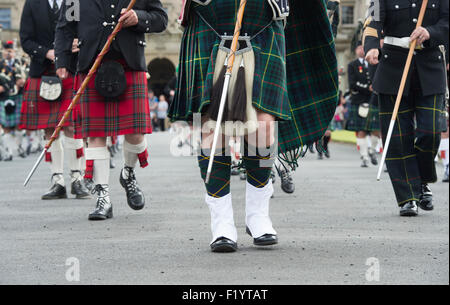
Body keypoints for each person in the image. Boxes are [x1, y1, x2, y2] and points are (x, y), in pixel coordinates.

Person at [170, 0, 338, 252]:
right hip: (211, 21)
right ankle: (221, 222)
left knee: (263, 126)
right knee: (213, 128)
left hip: (263, 25)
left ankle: (258, 215)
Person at [55, 0, 168, 220]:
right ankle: (103, 197)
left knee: (136, 134)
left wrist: (139, 17)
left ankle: (127, 173)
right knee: (96, 135)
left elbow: (161, 19)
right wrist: (62, 58)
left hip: (129, 63)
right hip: (91, 63)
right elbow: (65, 26)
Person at [364, 0, 449, 216]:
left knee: (431, 131)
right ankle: (407, 197)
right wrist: (372, 45)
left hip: (430, 67)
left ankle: (421, 180)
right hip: (394, 67)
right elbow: (372, 20)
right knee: (398, 138)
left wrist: (430, 31)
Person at [19, 0, 90, 200]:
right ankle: (57, 180)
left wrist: (75, 43)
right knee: (49, 128)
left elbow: (79, 28)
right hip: (43, 70)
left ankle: (77, 178)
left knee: (71, 126)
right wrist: (48, 52)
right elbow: (26, 40)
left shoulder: (73, 2)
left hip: (71, 68)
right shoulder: (33, 3)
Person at [346, 43, 380, 168]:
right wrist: (368, 88)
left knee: (376, 130)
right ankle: (364, 156)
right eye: (359, 48)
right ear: (356, 50)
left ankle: (372, 150)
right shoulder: (352, 65)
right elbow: (352, 84)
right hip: (359, 100)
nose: (361, 50)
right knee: (361, 131)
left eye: (363, 47)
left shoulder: (374, 63)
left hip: (374, 100)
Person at [0, 41, 28, 161]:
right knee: (5, 126)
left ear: (14, 51)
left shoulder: (20, 63)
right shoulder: (0, 64)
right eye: (6, 51)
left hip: (18, 96)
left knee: (18, 125)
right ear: (3, 51)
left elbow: (27, 76)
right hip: (3, 97)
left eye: (10, 51)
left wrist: (23, 81)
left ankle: (19, 147)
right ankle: (8, 151)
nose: (8, 53)